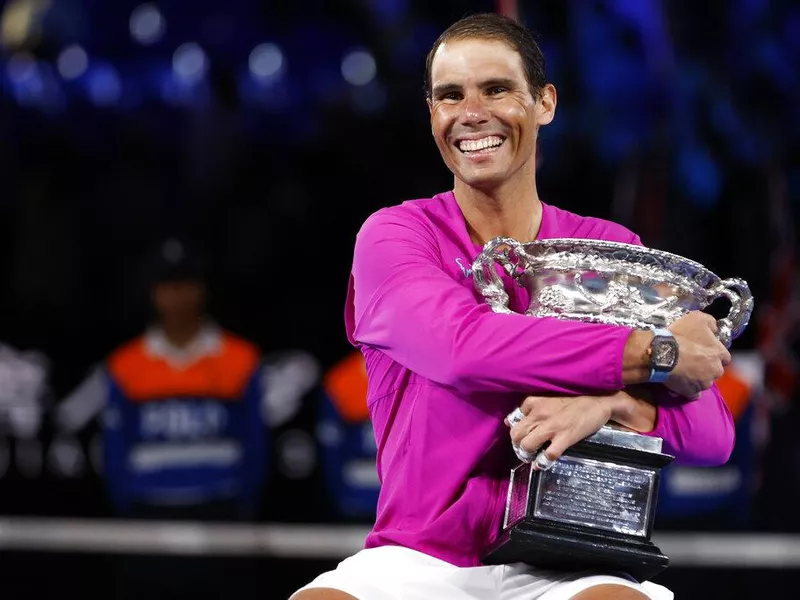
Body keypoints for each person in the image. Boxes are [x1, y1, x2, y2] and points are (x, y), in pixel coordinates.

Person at [291, 13, 734, 600]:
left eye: (496, 89)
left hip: (571, 563)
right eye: (450, 95)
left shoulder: (612, 251)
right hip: (420, 560)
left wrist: (611, 405)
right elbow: (461, 349)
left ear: (544, 103)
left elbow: (712, 433)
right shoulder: (395, 237)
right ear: (432, 116)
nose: (472, 113)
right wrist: (648, 353)